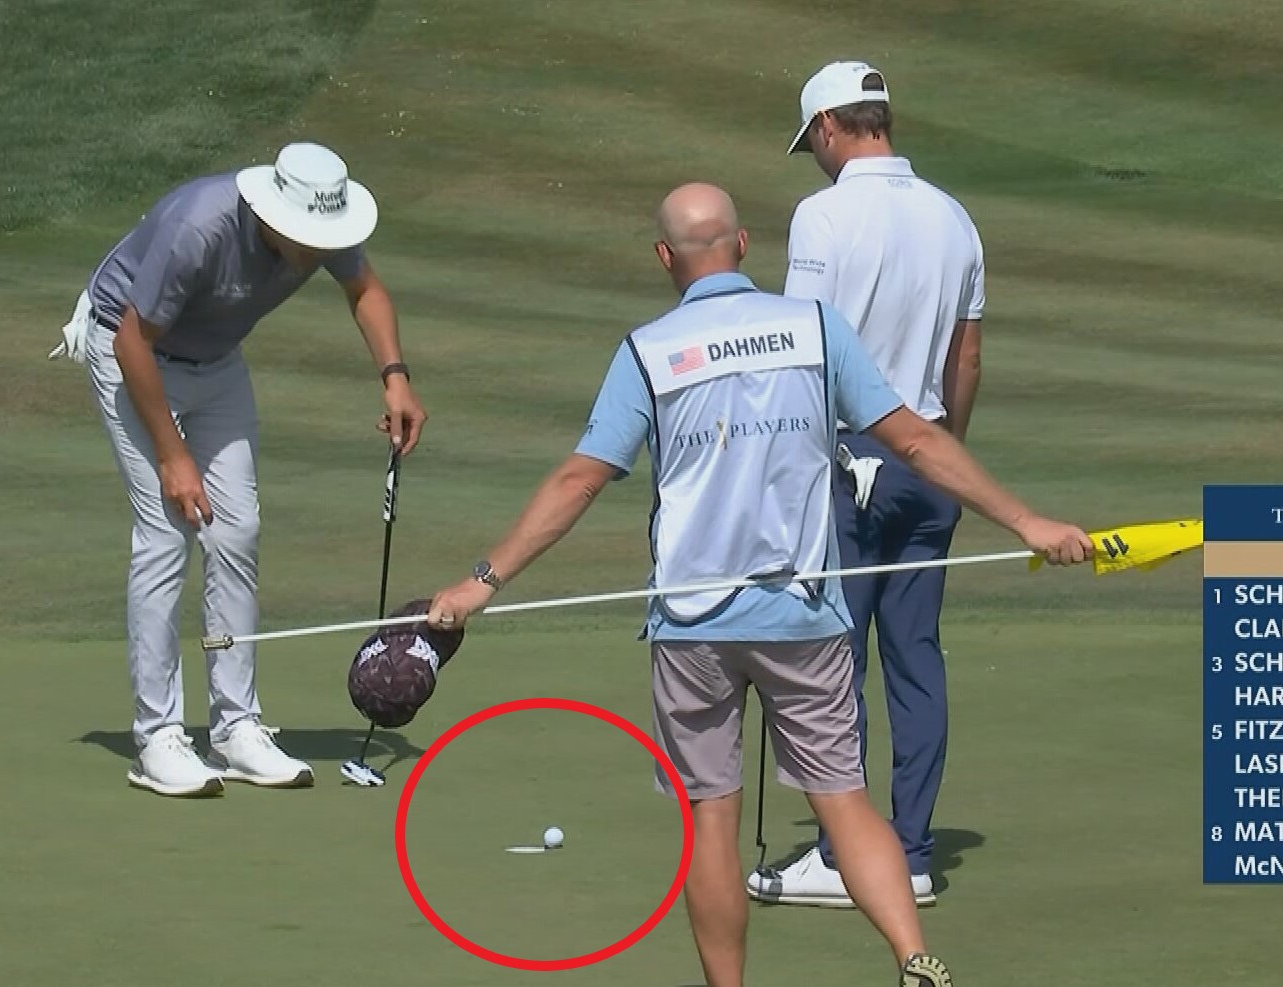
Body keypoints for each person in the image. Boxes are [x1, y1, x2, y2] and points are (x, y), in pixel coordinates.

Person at [425, 183, 1090, 987]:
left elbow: (579, 481)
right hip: (802, 614)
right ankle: (915, 958)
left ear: (666, 259)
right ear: (743, 247)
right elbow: (915, 438)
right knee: (844, 799)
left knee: (712, 817)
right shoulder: (815, 328)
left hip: (692, 627)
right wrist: (1027, 523)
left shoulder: (649, 350)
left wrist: (481, 581)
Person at [49, 142, 428, 797]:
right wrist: (174, 457)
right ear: (272, 214)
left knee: (236, 530)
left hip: (216, 362)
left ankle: (235, 726)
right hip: (131, 350)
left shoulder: (320, 226)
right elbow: (131, 341)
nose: (318, 250)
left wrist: (395, 377)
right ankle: (158, 739)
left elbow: (365, 290)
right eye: (307, 237)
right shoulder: (199, 228)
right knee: (168, 531)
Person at [748, 61, 987, 907]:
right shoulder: (956, 219)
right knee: (915, 657)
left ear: (827, 128)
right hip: (928, 464)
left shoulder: (823, 214)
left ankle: (843, 854)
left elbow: (799, 347)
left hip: (846, 459)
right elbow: (966, 358)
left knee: (830, 660)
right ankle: (912, 854)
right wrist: (944, 456)